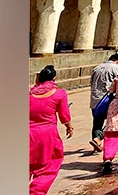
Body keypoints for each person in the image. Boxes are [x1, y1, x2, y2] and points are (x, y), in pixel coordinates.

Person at [30, 65, 72, 195]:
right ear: (54, 79)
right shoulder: (59, 94)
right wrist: (69, 127)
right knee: (48, 166)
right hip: (47, 134)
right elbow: (64, 115)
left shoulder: (29, 93)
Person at [89, 53, 118, 153]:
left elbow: (91, 83)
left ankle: (97, 144)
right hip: (107, 99)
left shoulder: (97, 68)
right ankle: (99, 138)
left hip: (95, 99)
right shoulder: (116, 68)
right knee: (112, 121)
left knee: (97, 123)